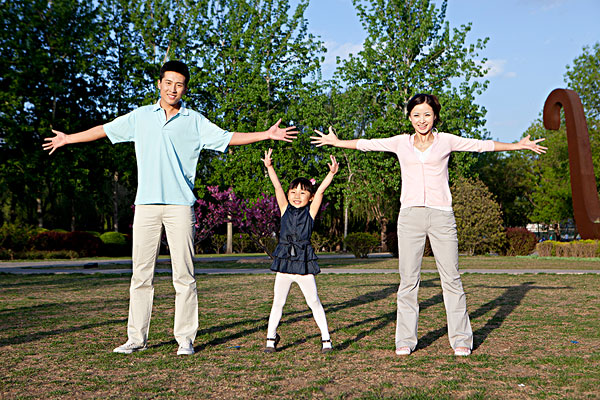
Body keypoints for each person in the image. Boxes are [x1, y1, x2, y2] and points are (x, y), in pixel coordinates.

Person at [43, 60, 298, 356]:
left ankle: (185, 340)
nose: (173, 89)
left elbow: (228, 138)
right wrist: (67, 139)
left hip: (180, 207)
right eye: (168, 83)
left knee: (184, 276)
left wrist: (265, 135)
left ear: (184, 89)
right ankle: (136, 338)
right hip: (146, 207)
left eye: (179, 84)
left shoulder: (194, 120)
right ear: (159, 84)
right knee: (141, 276)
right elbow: (103, 130)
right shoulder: (140, 117)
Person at [311, 93, 546, 356]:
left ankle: (461, 339)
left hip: (441, 216)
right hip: (410, 216)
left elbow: (482, 145)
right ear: (409, 117)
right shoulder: (401, 142)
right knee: (408, 280)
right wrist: (337, 142)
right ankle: (405, 339)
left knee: (452, 279)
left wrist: (518, 146)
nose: (421, 120)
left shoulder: (446, 140)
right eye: (416, 115)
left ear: (435, 117)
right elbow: (368, 144)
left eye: (427, 114)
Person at [261, 148, 338, 353]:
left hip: (303, 263)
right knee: (278, 302)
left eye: (303, 192)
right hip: (285, 263)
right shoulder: (285, 208)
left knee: (314, 301)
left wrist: (331, 174)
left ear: (310, 197)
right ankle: (270, 339)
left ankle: (326, 339)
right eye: (293, 191)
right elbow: (277, 187)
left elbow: (320, 190)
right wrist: (269, 167)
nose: (297, 195)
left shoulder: (311, 212)